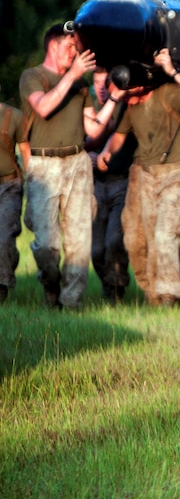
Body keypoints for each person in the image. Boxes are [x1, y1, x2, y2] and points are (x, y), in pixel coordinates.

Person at [98, 48, 180, 307]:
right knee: (138, 240)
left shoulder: (166, 93)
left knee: (165, 234)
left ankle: (169, 296)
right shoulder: (129, 107)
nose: (121, 97)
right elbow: (118, 137)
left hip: (174, 175)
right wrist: (106, 152)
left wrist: (172, 71)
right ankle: (153, 293)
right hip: (144, 177)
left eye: (123, 91)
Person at [19, 24, 115, 308]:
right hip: (44, 166)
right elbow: (44, 107)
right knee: (46, 245)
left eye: (77, 48)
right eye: (70, 47)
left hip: (78, 163)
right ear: (53, 46)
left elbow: (93, 130)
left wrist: (114, 101)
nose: (76, 53)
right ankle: (50, 285)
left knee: (79, 241)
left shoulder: (81, 85)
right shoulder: (32, 77)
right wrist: (73, 74)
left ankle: (71, 303)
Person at [86, 68, 135, 304]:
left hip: (122, 181)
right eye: (97, 83)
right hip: (94, 184)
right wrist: (91, 158)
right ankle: (109, 285)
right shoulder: (88, 108)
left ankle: (116, 291)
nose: (102, 87)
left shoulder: (127, 106)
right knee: (96, 250)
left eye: (106, 82)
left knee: (115, 240)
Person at [0, 98, 23, 303]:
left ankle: (2, 286)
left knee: (5, 237)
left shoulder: (13, 116)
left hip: (9, 185)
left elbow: (26, 150)